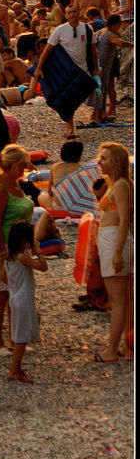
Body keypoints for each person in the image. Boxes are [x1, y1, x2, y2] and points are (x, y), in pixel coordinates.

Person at [0, 145, 35, 355]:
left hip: (19, 246)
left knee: (16, 293)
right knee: (2, 292)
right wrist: (4, 252)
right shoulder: (0, 188)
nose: (26, 167)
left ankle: (15, 338)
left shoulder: (15, 184)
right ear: (14, 165)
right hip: (4, 245)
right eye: (23, 164)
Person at [34, 4, 99, 140]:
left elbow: (93, 50)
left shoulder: (87, 29)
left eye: (75, 11)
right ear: (66, 15)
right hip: (66, 69)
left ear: (79, 12)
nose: (72, 14)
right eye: (69, 12)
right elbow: (48, 50)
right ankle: (69, 126)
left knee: (86, 93)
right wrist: (39, 68)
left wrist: (96, 68)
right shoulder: (60, 30)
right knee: (69, 98)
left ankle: (96, 115)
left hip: (83, 68)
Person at [94, 142, 134, 362]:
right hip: (116, 240)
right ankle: (128, 347)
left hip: (114, 241)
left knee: (117, 300)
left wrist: (117, 251)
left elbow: (124, 219)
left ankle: (111, 350)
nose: (100, 161)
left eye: (105, 158)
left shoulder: (120, 186)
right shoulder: (119, 184)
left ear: (116, 161)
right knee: (126, 298)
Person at [3, 221, 47, 383]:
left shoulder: (8, 256)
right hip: (24, 298)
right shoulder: (22, 257)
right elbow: (43, 267)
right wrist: (38, 252)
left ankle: (17, 368)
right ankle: (14, 370)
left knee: (18, 333)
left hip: (14, 296)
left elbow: (3, 277)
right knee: (21, 337)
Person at [89, 15, 133, 124]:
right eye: (119, 24)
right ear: (115, 24)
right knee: (103, 89)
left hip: (98, 64)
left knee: (100, 89)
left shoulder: (100, 32)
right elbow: (120, 43)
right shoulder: (110, 35)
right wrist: (133, 44)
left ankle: (96, 115)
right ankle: (99, 116)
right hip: (105, 65)